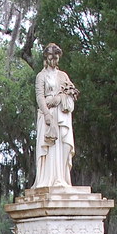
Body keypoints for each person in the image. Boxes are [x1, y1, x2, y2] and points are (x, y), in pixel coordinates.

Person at [34, 43, 79, 188]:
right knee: (49, 147)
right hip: (48, 115)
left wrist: (60, 98)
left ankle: (61, 179)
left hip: (61, 115)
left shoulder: (63, 75)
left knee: (63, 145)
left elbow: (72, 91)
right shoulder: (41, 76)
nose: (54, 60)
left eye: (56, 57)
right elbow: (40, 97)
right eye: (51, 57)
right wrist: (47, 114)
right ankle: (47, 179)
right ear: (46, 58)